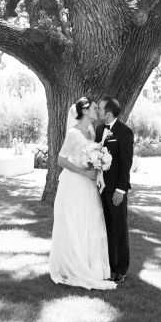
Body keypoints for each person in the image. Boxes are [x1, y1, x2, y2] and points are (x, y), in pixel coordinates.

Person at [49, 97, 116, 290]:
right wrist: (84, 172)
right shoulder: (73, 133)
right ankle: (71, 264)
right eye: (95, 108)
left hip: (88, 184)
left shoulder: (91, 132)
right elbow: (61, 160)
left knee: (88, 221)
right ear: (85, 111)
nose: (98, 111)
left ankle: (88, 265)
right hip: (75, 183)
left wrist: (97, 164)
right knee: (74, 221)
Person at [95, 97, 134, 285]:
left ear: (108, 113)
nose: (98, 111)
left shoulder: (124, 132)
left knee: (120, 229)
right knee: (107, 229)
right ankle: (109, 265)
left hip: (116, 191)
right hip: (101, 188)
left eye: (100, 108)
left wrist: (121, 190)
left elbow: (126, 164)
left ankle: (121, 270)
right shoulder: (99, 130)